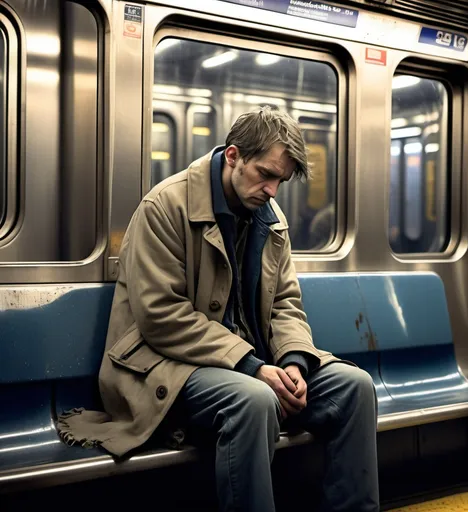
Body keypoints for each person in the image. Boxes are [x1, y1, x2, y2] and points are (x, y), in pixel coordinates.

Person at [58, 106, 379, 511]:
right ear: (233, 156)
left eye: (280, 180)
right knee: (255, 399)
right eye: (265, 174)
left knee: (355, 388)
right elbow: (161, 316)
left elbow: (285, 302)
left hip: (249, 364)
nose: (273, 191)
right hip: (166, 365)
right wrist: (254, 367)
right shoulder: (164, 208)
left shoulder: (270, 218)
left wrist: (294, 362)